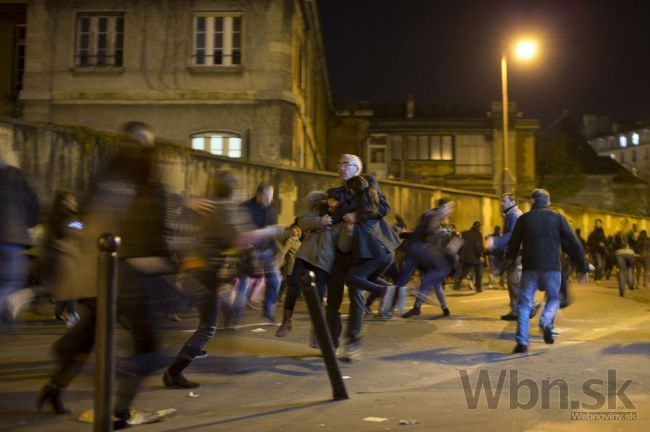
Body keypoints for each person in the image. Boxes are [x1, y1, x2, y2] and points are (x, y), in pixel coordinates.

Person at [38, 122, 175, 428]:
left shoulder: (104, 177)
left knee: (88, 335)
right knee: (148, 348)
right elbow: (152, 234)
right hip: (130, 273)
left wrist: (78, 235)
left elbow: (80, 223)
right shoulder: (146, 181)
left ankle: (54, 387)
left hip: (93, 272)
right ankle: (119, 408)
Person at [163, 171, 282, 388]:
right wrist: (270, 231)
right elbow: (241, 238)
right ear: (232, 189)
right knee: (208, 326)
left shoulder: (208, 206)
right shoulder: (223, 209)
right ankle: (174, 372)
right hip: (204, 273)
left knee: (215, 315)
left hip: (196, 271)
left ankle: (186, 358)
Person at [507, 189, 588, 354]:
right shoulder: (557, 217)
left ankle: (522, 342)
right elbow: (573, 243)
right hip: (552, 268)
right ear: (548, 202)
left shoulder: (524, 219)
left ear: (532, 202)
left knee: (524, 304)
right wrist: (583, 267)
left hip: (530, 268)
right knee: (553, 299)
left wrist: (508, 263)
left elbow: (513, 244)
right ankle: (545, 321)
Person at [325, 154, 390, 358]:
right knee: (333, 297)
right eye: (339, 163)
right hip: (338, 248)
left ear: (358, 169)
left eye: (346, 164)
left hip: (361, 249)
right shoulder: (335, 192)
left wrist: (356, 215)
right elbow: (331, 217)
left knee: (356, 293)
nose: (341, 167)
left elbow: (382, 208)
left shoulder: (368, 184)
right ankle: (331, 342)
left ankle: (352, 343)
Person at [276, 188, 351, 346]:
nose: (330, 202)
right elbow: (302, 222)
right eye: (329, 199)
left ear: (341, 202)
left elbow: (344, 246)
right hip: (305, 254)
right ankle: (287, 321)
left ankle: (316, 330)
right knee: (293, 285)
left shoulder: (344, 219)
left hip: (324, 262)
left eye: (334, 200)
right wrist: (320, 222)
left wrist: (349, 229)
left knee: (316, 298)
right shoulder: (318, 210)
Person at [396, 199, 458, 319]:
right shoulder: (436, 216)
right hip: (422, 250)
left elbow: (418, 230)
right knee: (436, 274)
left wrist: (405, 235)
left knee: (404, 279)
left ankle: (386, 307)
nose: (451, 211)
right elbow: (430, 231)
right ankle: (419, 304)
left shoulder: (428, 214)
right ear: (443, 207)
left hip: (413, 248)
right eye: (450, 208)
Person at [233, 182, 282, 324]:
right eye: (267, 196)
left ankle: (268, 313)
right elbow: (241, 231)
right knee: (243, 282)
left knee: (275, 280)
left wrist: (276, 252)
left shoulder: (270, 208)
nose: (269, 200)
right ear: (259, 194)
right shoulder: (245, 208)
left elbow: (271, 231)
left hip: (266, 251)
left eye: (271, 197)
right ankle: (235, 314)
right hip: (248, 251)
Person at [0, 156, 39, 324]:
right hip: (11, 237)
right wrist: (29, 222)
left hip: (9, 236)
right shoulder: (14, 174)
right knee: (14, 279)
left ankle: (5, 320)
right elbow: (32, 203)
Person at [43, 190, 80, 327]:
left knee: (63, 285)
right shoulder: (66, 216)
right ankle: (72, 314)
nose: (75, 203)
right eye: (72, 200)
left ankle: (60, 312)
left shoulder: (56, 215)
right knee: (71, 285)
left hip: (57, 253)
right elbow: (77, 230)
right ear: (64, 202)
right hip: (64, 253)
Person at [453, 221, 484, 292]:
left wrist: (459, 253)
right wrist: (480, 255)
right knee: (478, 272)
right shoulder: (478, 234)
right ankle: (478, 287)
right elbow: (477, 246)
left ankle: (457, 283)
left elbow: (460, 243)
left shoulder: (465, 233)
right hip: (475, 257)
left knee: (464, 271)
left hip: (465, 256)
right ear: (479, 227)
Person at [612, 218, 637, 297]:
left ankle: (622, 290)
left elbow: (613, 243)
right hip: (629, 252)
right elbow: (634, 243)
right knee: (630, 268)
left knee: (622, 271)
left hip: (619, 253)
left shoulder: (616, 232)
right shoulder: (631, 232)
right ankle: (630, 284)